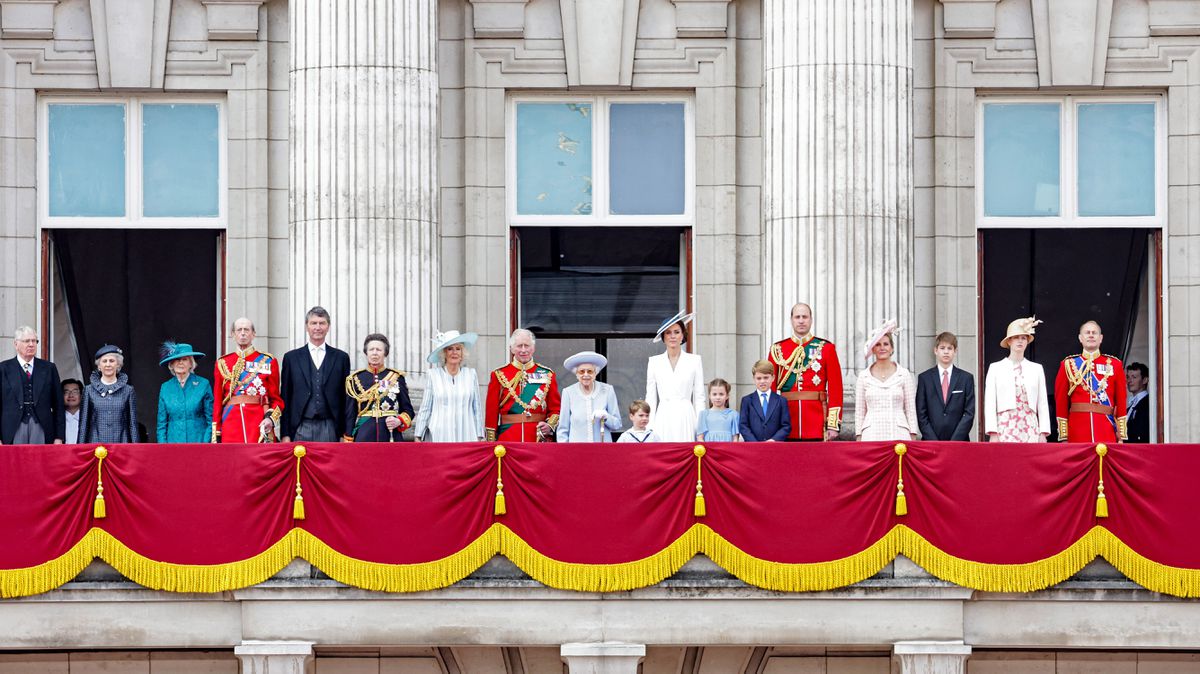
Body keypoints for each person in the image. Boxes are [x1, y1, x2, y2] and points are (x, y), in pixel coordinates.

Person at [767, 303, 844, 441]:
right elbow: (770, 389)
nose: (801, 320)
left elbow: (835, 387)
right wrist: (772, 421)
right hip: (786, 420)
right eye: (797, 317)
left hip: (817, 421)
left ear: (811, 320)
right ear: (791, 320)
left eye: (805, 317)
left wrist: (833, 424)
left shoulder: (826, 348)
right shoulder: (778, 349)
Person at [281, 307, 350, 443]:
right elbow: (285, 397)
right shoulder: (291, 358)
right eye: (313, 323)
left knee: (330, 464)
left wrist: (344, 433)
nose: (318, 327)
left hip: (330, 426)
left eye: (322, 323)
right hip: (300, 426)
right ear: (307, 326)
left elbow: (345, 398)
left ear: (328, 327)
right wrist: (285, 433)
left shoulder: (341, 358)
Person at [1055, 321, 1128, 443]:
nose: (1091, 335)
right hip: (1077, 430)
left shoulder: (1115, 364)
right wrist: (1064, 436)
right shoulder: (1068, 364)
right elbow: (1061, 401)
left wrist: (1121, 435)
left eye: (1094, 333)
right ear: (1080, 338)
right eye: (1087, 332)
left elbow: (1121, 399)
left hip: (1106, 429)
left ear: (1101, 338)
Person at [212, 318, 282, 443]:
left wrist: (270, 419)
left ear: (253, 334)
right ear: (233, 334)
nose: (243, 333)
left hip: (258, 422)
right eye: (239, 330)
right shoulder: (222, 363)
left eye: (246, 330)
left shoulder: (268, 361)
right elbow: (218, 401)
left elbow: (276, 399)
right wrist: (216, 432)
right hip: (231, 424)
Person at [484, 329, 561, 442]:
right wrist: (491, 443)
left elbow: (556, 408)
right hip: (508, 437)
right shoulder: (499, 374)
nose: (523, 350)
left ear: (533, 348)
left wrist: (549, 425)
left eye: (527, 346)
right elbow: (491, 413)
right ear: (511, 348)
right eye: (519, 346)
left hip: (538, 438)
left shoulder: (547, 374)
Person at [983, 317, 1051, 442]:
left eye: (1023, 338)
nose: (1020, 341)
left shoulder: (1036, 369)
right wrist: (993, 432)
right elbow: (990, 403)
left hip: (1030, 425)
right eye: (1016, 337)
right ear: (1009, 341)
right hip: (1005, 426)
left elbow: (1042, 402)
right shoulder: (995, 368)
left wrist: (1043, 432)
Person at [413, 330, 484, 442]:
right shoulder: (433, 375)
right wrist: (418, 435)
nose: (454, 352)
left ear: (462, 353)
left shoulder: (471, 375)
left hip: (467, 433)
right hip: (439, 434)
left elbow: (477, 408)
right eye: (450, 349)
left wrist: (480, 435)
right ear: (444, 353)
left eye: (458, 349)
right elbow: (426, 407)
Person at [645, 311, 706, 442]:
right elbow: (650, 397)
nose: (672, 336)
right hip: (663, 415)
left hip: (686, 415)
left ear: (683, 335)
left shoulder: (694, 361)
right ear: (663, 336)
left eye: (677, 332)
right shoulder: (654, 362)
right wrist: (650, 426)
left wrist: (700, 427)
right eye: (668, 332)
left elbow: (699, 397)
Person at [854, 319, 918, 442]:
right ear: (872, 349)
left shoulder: (904, 374)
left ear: (892, 348)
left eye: (886, 344)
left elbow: (910, 409)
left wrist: (913, 435)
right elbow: (860, 411)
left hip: (899, 434)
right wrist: (859, 436)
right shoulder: (864, 376)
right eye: (877, 344)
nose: (882, 348)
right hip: (871, 434)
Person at [0, 326, 65, 445]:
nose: (31, 344)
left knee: (40, 462)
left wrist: (59, 436)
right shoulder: (3, 369)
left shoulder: (49, 368)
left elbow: (58, 405)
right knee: (16, 462)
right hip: (12, 428)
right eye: (26, 341)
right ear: (16, 344)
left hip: (42, 426)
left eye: (34, 341)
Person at [344, 333, 414, 442]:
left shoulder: (396, 377)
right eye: (371, 349)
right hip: (364, 435)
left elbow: (408, 410)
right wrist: (348, 438)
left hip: (390, 435)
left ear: (385, 353)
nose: (375, 353)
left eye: (379, 350)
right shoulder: (355, 379)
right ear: (366, 353)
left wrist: (399, 420)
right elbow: (350, 414)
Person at [915, 332, 976, 441]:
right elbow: (921, 413)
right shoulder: (924, 378)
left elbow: (969, 413)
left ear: (955, 351)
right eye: (942, 348)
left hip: (959, 442)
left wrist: (955, 441)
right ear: (936, 350)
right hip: (931, 442)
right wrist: (933, 441)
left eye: (950, 348)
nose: (946, 352)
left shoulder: (966, 378)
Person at [557, 351, 622, 443]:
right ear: (577, 374)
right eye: (582, 371)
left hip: (602, 450)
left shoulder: (607, 390)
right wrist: (565, 452)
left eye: (590, 371)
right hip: (577, 450)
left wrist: (606, 416)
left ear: (595, 373)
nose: (586, 375)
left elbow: (617, 424)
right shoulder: (568, 392)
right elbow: (563, 429)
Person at [79, 344, 138, 444]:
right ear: (99, 366)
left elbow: (132, 424)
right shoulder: (88, 390)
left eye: (112, 361)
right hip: (95, 445)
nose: (108, 364)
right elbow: (84, 424)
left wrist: (136, 449)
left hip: (121, 444)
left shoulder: (128, 390)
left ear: (118, 364)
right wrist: (80, 450)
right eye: (104, 361)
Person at [155, 342, 213, 444]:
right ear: (171, 364)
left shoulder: (203, 384)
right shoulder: (165, 387)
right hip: (173, 444)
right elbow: (161, 424)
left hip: (198, 442)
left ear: (191, 363)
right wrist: (163, 447)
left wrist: (205, 444)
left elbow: (211, 419)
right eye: (177, 359)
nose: (180, 362)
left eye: (185, 359)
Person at [739, 360, 790, 442]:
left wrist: (774, 440)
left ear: (773, 378)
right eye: (759, 378)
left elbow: (786, 426)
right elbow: (743, 425)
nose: (762, 381)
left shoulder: (781, 401)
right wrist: (754, 443)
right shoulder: (747, 400)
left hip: (774, 446)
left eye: (766, 378)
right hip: (753, 447)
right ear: (754, 379)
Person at [1126, 362, 1150, 443]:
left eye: (1134, 377)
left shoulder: (1149, 403)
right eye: (1128, 377)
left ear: (1145, 380)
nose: (1129, 381)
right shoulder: (1129, 408)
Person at [62, 378, 82, 444]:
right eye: (66, 392)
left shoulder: (89, 418)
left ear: (81, 395)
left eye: (75, 392)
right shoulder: (54, 420)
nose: (71, 395)